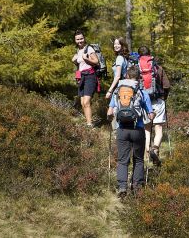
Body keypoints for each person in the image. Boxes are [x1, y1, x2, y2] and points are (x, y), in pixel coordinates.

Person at [107, 66, 155, 197]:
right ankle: (137, 187)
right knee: (138, 159)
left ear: (126, 76)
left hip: (122, 129)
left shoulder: (118, 91)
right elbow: (150, 115)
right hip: (137, 129)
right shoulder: (142, 92)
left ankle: (122, 187)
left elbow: (110, 111)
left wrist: (110, 116)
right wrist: (151, 115)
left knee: (123, 160)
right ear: (139, 78)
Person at [138, 46, 171, 166]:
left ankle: (147, 153)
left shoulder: (137, 67)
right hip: (158, 100)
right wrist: (164, 97)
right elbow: (166, 86)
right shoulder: (157, 68)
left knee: (146, 129)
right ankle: (155, 149)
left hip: (144, 102)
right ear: (150, 54)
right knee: (159, 128)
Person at [72, 30, 99, 127]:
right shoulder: (78, 51)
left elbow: (96, 61)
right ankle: (88, 122)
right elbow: (80, 66)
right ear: (75, 40)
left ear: (84, 38)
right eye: (77, 39)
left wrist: (86, 58)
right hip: (81, 77)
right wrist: (75, 61)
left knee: (87, 101)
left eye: (81, 38)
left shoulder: (89, 49)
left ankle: (89, 124)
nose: (80, 41)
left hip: (90, 77)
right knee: (82, 102)